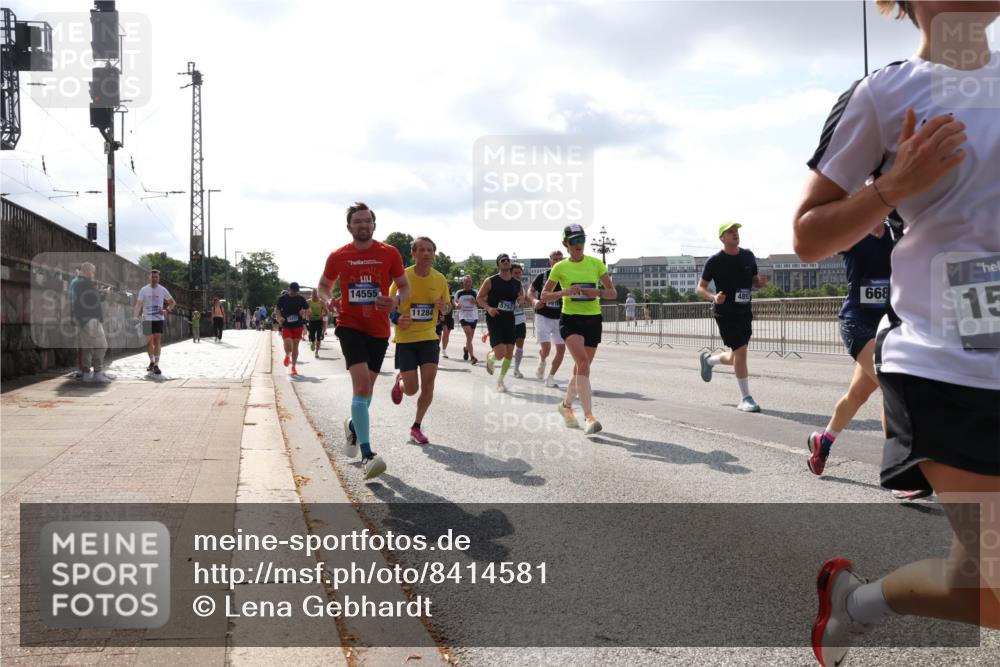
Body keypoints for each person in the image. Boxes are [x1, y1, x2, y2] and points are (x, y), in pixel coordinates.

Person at [793, 3, 1000, 664]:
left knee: (985, 590)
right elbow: (807, 235)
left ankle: (855, 601)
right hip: (946, 364)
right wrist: (893, 186)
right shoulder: (883, 93)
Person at [317, 201, 409, 480]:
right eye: (357, 221)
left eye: (367, 220)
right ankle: (368, 454)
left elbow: (404, 287)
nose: (362, 225)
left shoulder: (389, 253)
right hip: (349, 325)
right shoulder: (338, 256)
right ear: (349, 227)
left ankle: (353, 427)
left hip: (379, 329)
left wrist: (394, 300)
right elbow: (323, 285)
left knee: (366, 393)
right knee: (361, 386)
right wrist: (327, 300)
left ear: (374, 224)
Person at [541, 224, 616, 435]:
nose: (579, 244)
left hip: (592, 319)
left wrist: (597, 292)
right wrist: (565, 291)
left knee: (581, 369)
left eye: (581, 239)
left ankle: (565, 406)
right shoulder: (560, 267)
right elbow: (544, 296)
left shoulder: (595, 264)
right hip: (570, 319)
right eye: (573, 241)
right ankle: (589, 417)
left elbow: (612, 292)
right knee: (583, 364)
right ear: (566, 244)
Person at [696, 222, 769, 412]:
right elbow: (700, 288)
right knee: (742, 353)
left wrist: (760, 283)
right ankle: (745, 398)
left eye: (736, 231)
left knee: (738, 355)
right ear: (722, 238)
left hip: (745, 311)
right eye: (730, 232)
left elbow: (753, 281)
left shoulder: (748, 256)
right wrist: (713, 297)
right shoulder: (715, 261)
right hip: (725, 312)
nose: (735, 234)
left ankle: (709, 361)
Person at [388, 236, 450, 445]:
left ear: (434, 254)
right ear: (413, 254)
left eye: (429, 250)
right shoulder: (402, 277)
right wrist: (397, 318)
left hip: (429, 336)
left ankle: (416, 426)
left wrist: (444, 307)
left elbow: (448, 307)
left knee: (429, 383)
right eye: (421, 250)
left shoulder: (440, 279)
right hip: (405, 339)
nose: (426, 253)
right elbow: (388, 308)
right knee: (412, 389)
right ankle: (401, 382)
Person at [477, 253, 523, 392]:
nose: (506, 261)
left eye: (508, 260)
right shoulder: (491, 280)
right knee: (501, 353)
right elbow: (479, 298)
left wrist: (521, 300)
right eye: (502, 260)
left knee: (510, 352)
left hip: (509, 319)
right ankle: (491, 357)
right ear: (498, 264)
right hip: (494, 319)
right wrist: (489, 308)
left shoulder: (517, 283)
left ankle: (500, 380)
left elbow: (521, 296)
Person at [529, 249, 566, 388]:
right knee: (547, 348)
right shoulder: (543, 276)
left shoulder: (567, 277)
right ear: (550, 261)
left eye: (560, 259)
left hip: (561, 317)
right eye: (555, 259)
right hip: (543, 315)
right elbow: (530, 292)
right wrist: (534, 301)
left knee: (561, 349)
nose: (557, 262)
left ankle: (550, 377)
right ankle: (542, 360)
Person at [69, 262, 111, 383]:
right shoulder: (86, 283)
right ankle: (97, 372)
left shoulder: (77, 282)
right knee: (102, 346)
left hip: (82, 319)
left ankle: (86, 374)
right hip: (91, 319)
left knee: (86, 347)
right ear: (87, 271)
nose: (93, 274)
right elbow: (95, 299)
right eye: (93, 271)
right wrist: (105, 293)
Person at [132, 269, 175, 376]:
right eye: (152, 277)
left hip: (158, 319)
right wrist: (135, 316)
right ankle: (151, 361)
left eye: (156, 277)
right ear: (149, 278)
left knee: (157, 341)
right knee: (149, 341)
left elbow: (172, 302)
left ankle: (156, 364)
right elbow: (138, 304)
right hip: (147, 318)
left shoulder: (162, 290)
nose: (154, 279)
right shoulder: (144, 290)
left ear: (159, 278)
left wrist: (167, 310)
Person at [276, 282, 309, 375]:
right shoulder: (282, 298)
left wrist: (304, 312)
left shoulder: (301, 299)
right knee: (287, 342)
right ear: (289, 289)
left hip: (297, 325)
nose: (294, 293)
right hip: (286, 325)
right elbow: (277, 310)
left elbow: (307, 309)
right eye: (293, 291)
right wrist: (279, 318)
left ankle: (293, 367)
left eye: (296, 291)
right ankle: (287, 355)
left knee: (295, 346)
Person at [454, 275, 479, 364]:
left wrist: (476, 302)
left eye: (469, 281)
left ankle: (466, 349)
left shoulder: (475, 292)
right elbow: (455, 301)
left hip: (473, 316)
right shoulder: (459, 292)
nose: (467, 283)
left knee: (470, 338)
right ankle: (472, 357)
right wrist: (457, 305)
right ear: (463, 282)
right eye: (465, 281)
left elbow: (481, 302)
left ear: (471, 282)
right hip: (463, 316)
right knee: (468, 336)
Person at [510, 263, 529, 379]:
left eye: (519, 273)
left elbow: (523, 302)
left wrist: (523, 300)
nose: (518, 275)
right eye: (515, 273)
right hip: (508, 320)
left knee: (520, 345)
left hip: (520, 318)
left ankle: (516, 368)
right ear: (510, 273)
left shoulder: (521, 286)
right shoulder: (505, 285)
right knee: (507, 347)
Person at [306, 290, 328, 357]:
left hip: (319, 321)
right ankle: (313, 342)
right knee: (312, 336)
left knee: (319, 337)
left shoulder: (321, 301)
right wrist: (308, 313)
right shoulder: (308, 302)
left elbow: (326, 311)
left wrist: (323, 314)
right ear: (311, 294)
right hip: (312, 321)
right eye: (313, 294)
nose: (315, 295)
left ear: (317, 294)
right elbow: (304, 309)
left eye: (316, 294)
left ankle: (317, 352)